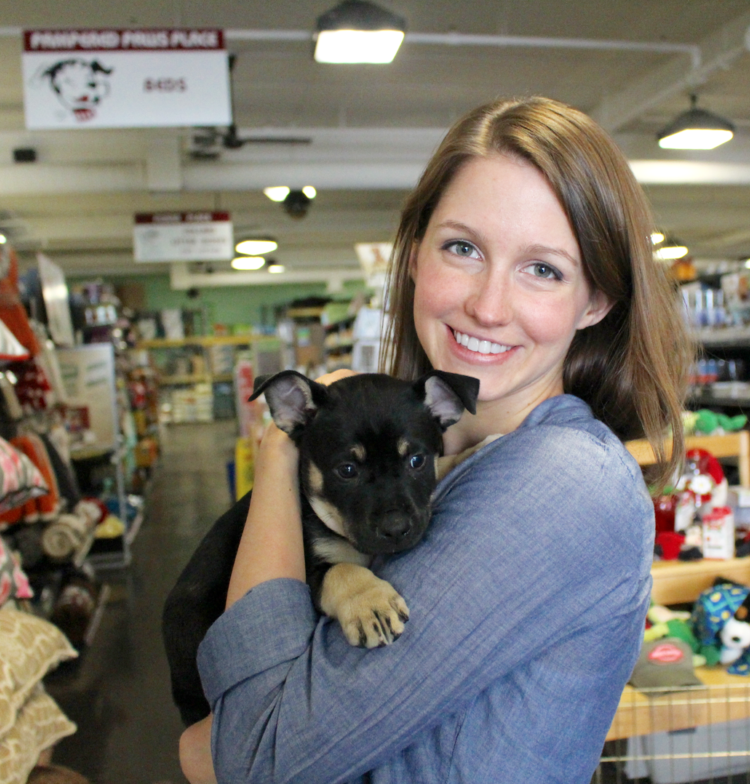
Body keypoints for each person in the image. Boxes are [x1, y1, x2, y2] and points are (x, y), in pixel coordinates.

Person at [179, 96, 692, 783]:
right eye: (463, 247)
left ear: (595, 300)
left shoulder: (562, 483)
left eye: (543, 269)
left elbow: (251, 759)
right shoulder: (457, 459)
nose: (487, 304)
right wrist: (288, 449)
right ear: (415, 254)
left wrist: (282, 453)